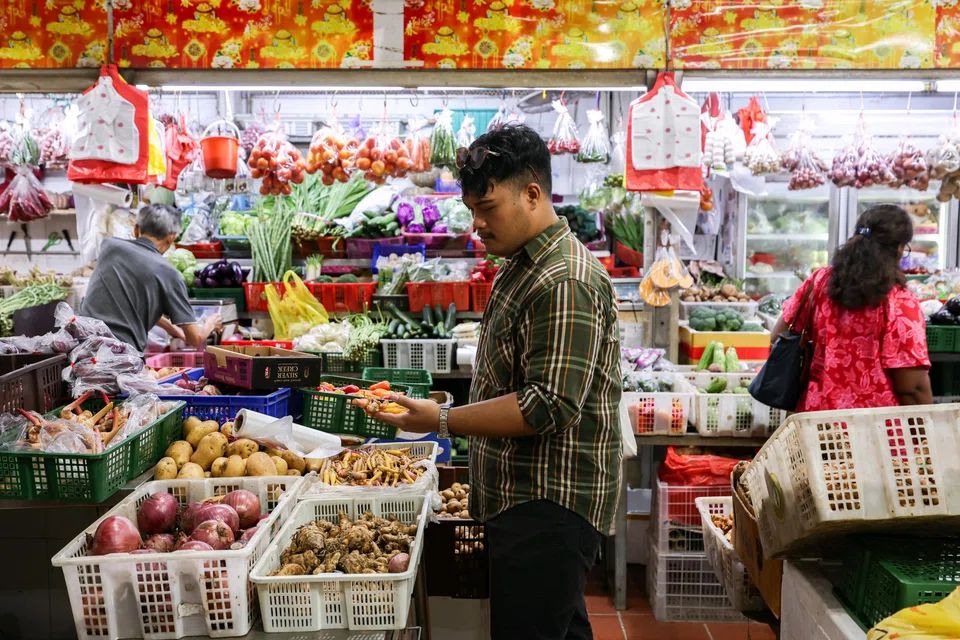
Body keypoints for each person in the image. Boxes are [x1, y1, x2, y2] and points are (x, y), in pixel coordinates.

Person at [369, 124, 623, 639]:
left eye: (488, 208)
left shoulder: (563, 279)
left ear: (532, 193)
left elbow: (547, 405)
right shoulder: (522, 263)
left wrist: (442, 418)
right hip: (523, 498)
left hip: (547, 505)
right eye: (471, 210)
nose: (478, 225)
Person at [771, 203, 931, 410]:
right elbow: (911, 386)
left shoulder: (820, 281)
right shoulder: (899, 302)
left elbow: (778, 336)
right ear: (899, 248)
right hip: (875, 423)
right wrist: (930, 423)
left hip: (815, 417)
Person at [80, 204, 221, 351]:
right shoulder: (170, 275)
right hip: (120, 357)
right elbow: (195, 338)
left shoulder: (109, 247)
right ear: (171, 238)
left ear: (136, 229)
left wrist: (173, 329)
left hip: (81, 346)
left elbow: (132, 304)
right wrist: (211, 323)